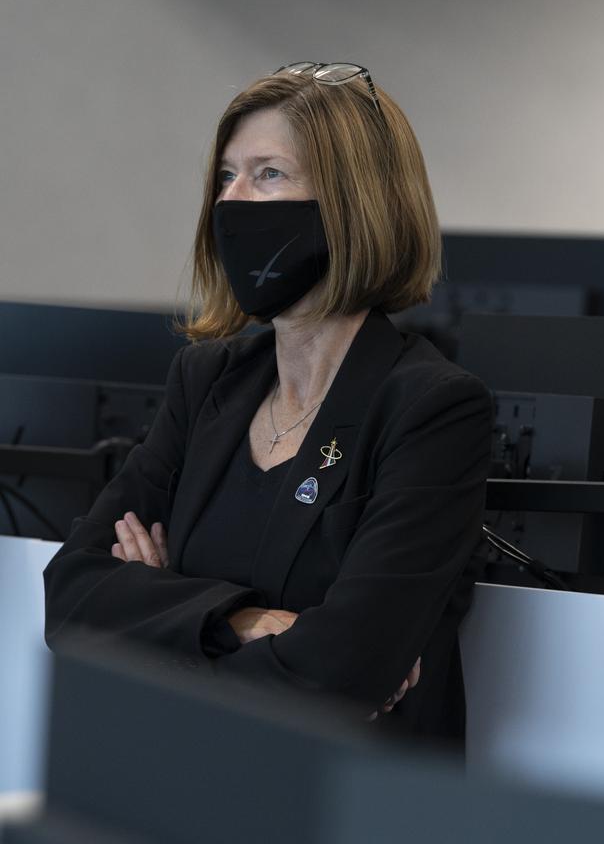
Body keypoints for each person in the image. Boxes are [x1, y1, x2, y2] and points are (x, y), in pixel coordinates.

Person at [44, 62, 492, 739]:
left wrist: (158, 625)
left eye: (269, 174)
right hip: (180, 798)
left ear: (353, 202)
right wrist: (239, 622)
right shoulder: (207, 382)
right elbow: (72, 596)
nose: (232, 200)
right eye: (227, 175)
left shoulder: (431, 407)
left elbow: (344, 669)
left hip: (342, 818)